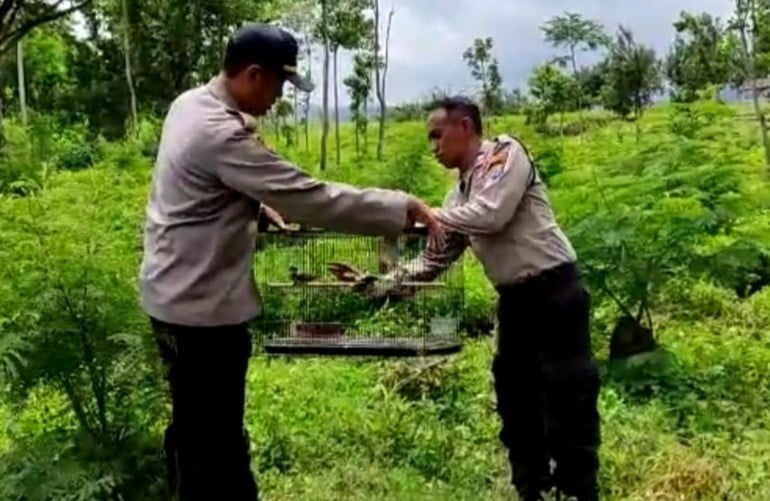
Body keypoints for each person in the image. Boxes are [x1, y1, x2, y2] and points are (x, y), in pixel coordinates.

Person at [138, 23, 443, 501]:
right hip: (203, 316)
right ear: (254, 75)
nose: (280, 97)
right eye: (280, 85)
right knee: (213, 443)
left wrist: (255, 204)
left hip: (170, 300)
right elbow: (311, 198)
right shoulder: (220, 132)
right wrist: (397, 207)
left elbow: (199, 186)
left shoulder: (189, 104)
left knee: (195, 424)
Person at [331, 96, 601, 501]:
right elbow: (432, 260)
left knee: (568, 396)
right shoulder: (456, 200)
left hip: (555, 293)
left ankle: (577, 490)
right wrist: (377, 283)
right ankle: (533, 489)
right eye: (430, 139)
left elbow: (492, 213)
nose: (434, 147)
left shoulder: (506, 153)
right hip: (514, 302)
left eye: (438, 135)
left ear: (464, 126)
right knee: (516, 399)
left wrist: (420, 216)